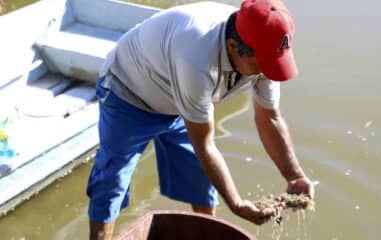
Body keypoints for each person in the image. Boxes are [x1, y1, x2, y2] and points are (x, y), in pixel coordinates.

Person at [86, 0, 314, 239]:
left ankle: (206, 234)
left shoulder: (264, 52)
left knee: (202, 180)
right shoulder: (195, 56)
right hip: (129, 94)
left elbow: (270, 118)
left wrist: (295, 176)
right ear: (233, 45)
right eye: (260, 67)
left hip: (179, 101)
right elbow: (204, 145)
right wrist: (236, 204)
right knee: (112, 179)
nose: (267, 74)